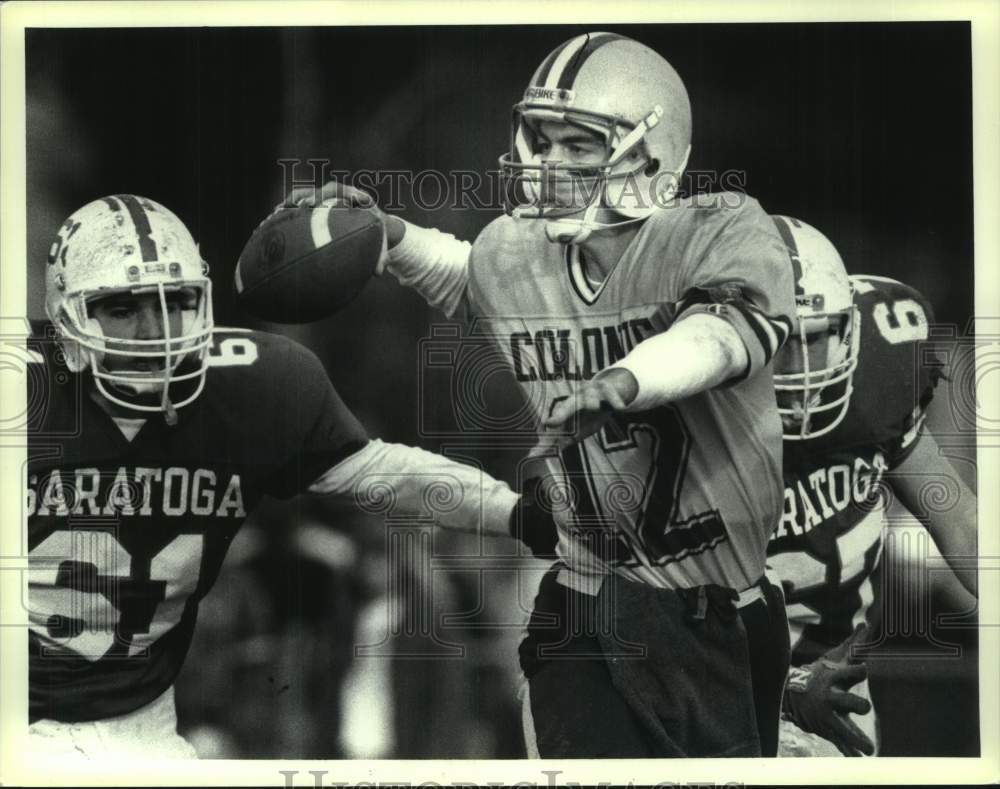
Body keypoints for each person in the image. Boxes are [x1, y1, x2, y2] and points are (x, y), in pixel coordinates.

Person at [285, 31, 797, 757]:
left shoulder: (721, 230)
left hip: (713, 616)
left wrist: (627, 380)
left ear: (652, 156)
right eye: (540, 139)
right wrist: (388, 237)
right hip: (584, 599)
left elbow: (721, 336)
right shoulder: (518, 250)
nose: (548, 164)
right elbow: (472, 278)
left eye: (578, 144)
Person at [25, 194, 547, 759]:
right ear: (69, 319)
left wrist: (519, 513)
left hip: (142, 719)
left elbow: (382, 472)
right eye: (123, 309)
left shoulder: (252, 386)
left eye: (174, 301)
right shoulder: (23, 392)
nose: (156, 331)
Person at [763, 216, 978, 757]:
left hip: (829, 679)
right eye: (779, 342)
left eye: (816, 339)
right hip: (706, 680)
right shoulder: (685, 412)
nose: (800, 372)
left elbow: (964, 526)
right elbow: (658, 606)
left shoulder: (879, 377)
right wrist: (780, 690)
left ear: (851, 327)